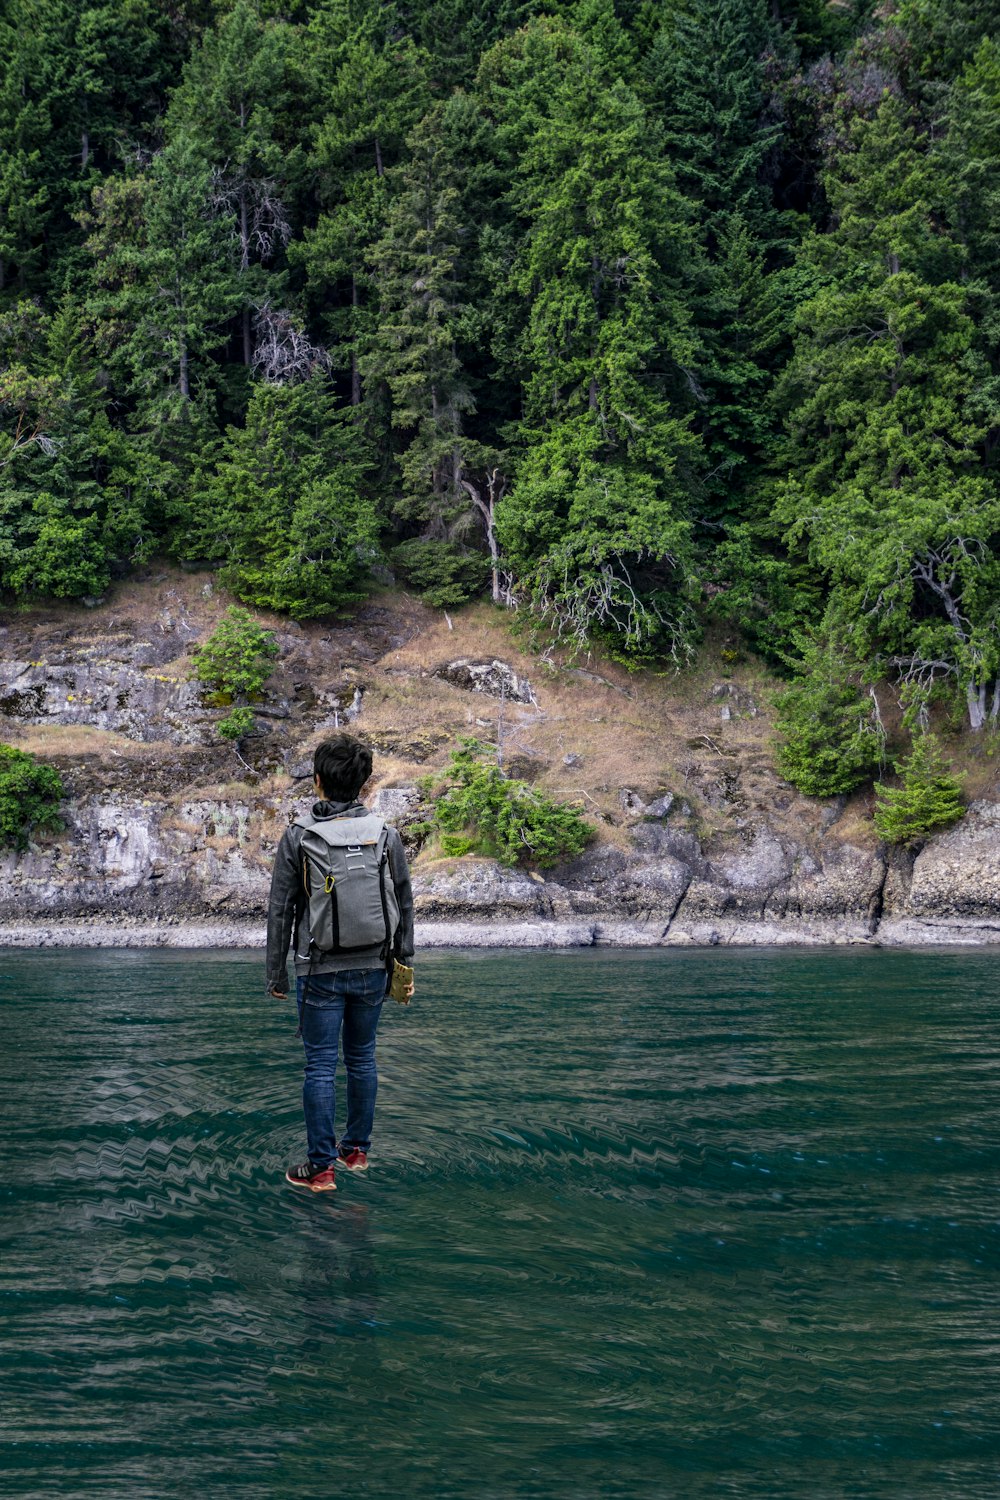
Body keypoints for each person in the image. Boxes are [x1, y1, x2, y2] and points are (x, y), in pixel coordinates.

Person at [266, 732, 415, 1192]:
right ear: (365, 783)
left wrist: (276, 974)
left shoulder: (299, 837)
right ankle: (356, 1151)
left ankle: (320, 1168)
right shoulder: (384, 835)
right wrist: (403, 964)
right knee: (362, 1059)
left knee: (319, 1067)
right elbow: (405, 902)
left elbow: (281, 910)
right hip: (375, 966)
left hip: (318, 970)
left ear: (317, 782)